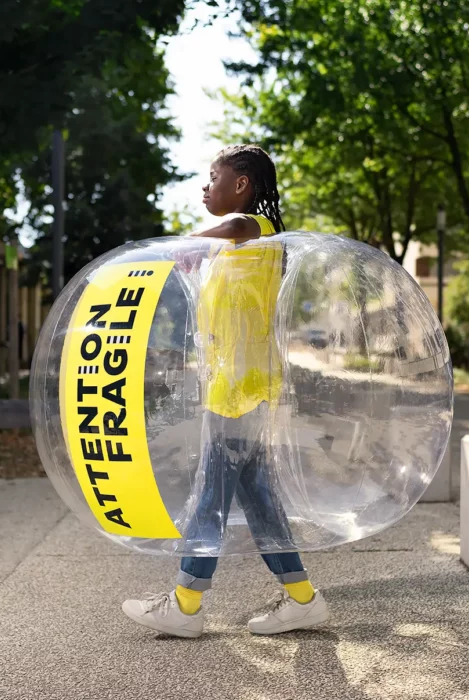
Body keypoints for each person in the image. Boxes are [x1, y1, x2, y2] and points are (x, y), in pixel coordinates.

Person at [122, 144, 330, 638]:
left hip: (243, 392)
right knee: (258, 499)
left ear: (240, 185)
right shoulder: (239, 250)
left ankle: (186, 602)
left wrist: (190, 243)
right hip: (237, 392)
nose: (204, 186)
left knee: (210, 496)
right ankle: (303, 599)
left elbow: (239, 227)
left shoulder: (257, 230)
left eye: (212, 177)